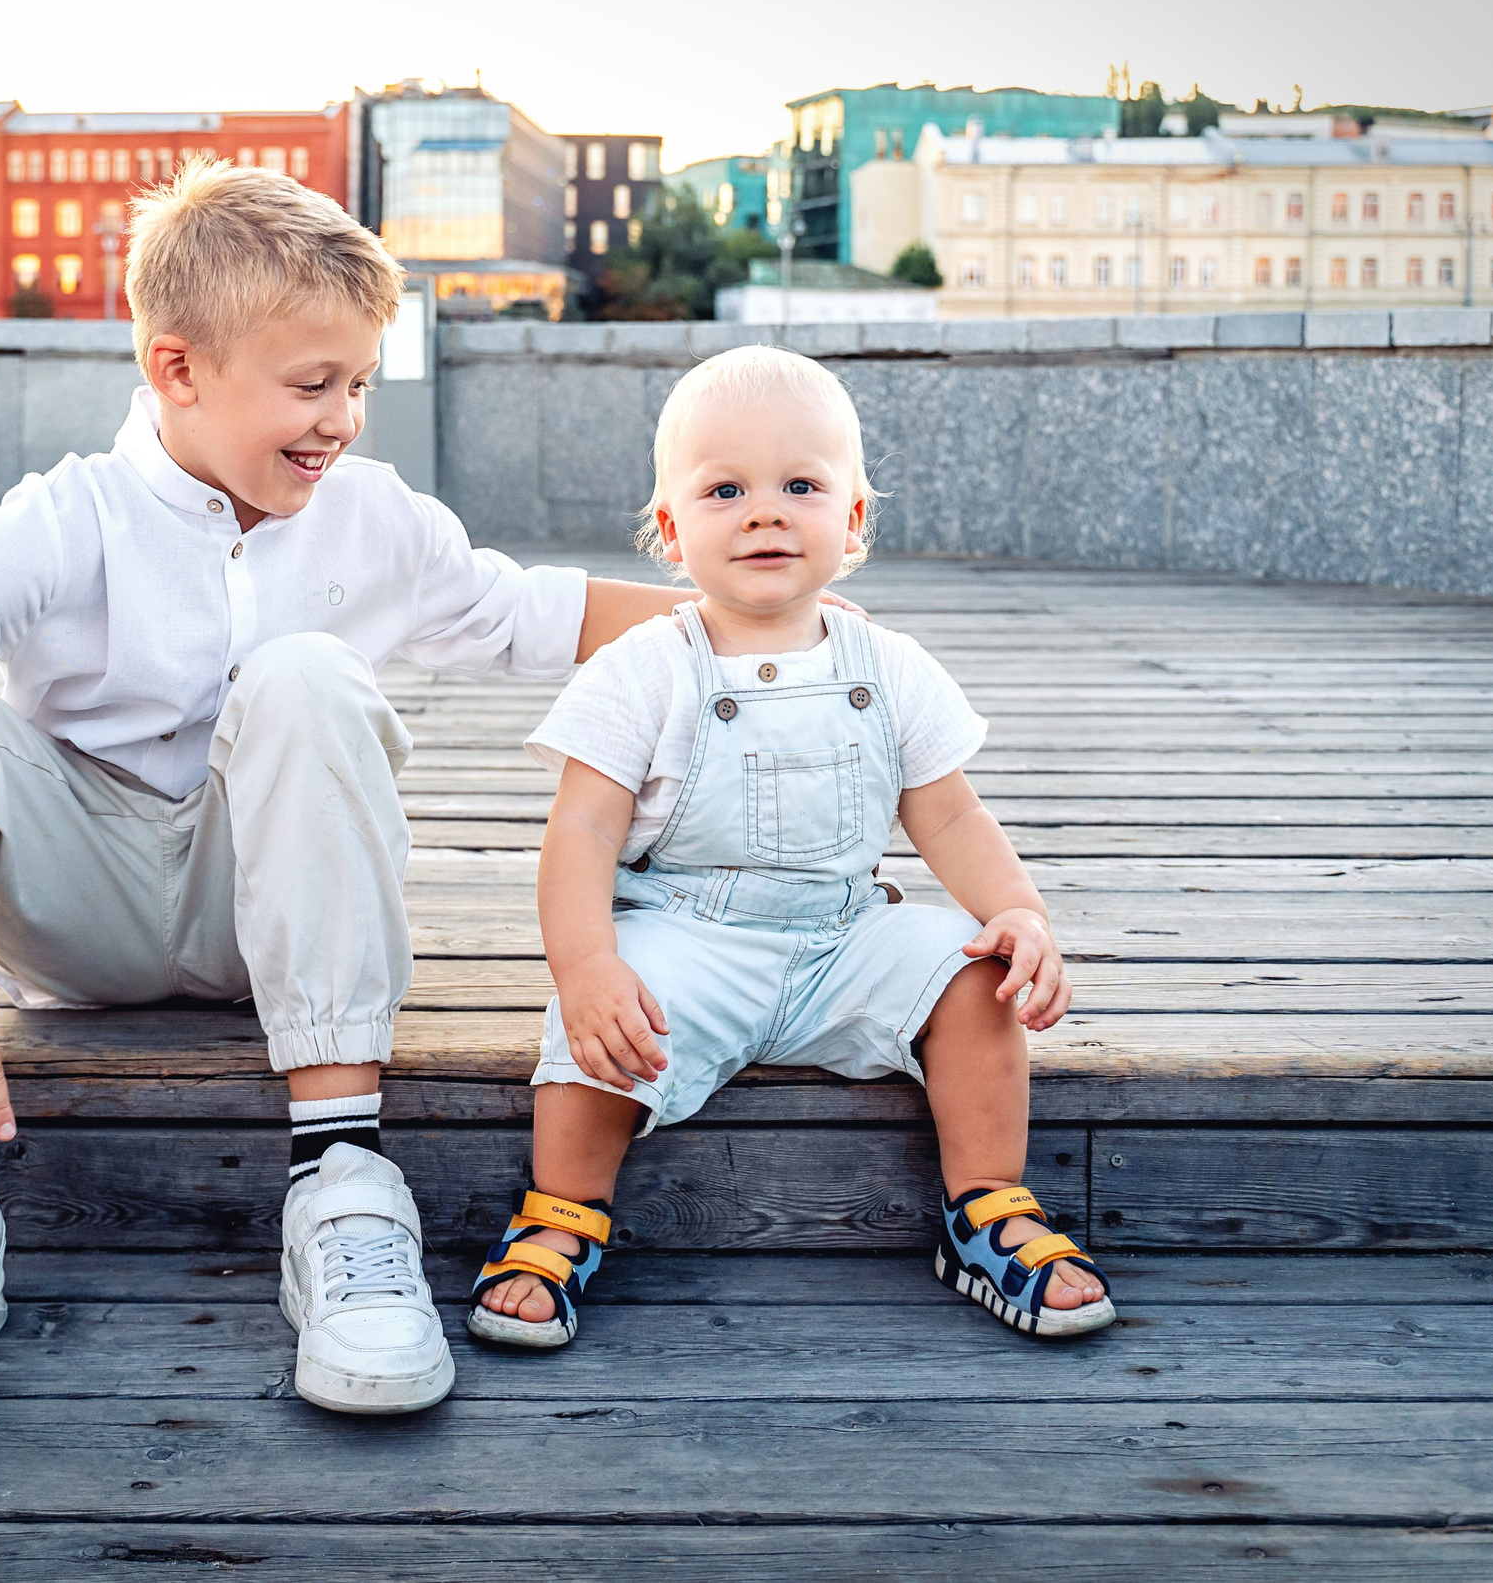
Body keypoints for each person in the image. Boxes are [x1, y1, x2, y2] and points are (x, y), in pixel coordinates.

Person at [0, 159, 718, 1458]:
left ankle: (343, 1176)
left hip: (273, 920)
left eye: (360, 382)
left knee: (304, 671)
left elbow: (538, 612)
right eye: (313, 385)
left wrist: (752, 620)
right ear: (177, 367)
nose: (344, 419)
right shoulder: (66, 518)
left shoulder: (369, 516)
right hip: (81, 917)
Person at [467, 346, 1114, 1352]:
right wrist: (587, 964)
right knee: (600, 1023)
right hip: (687, 933)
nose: (764, 512)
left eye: (799, 486)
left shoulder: (886, 665)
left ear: (851, 521)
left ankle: (986, 1207)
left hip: (843, 936)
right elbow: (583, 828)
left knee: (970, 976)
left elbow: (946, 815)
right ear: (672, 531)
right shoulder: (642, 669)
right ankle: (562, 1213)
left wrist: (1018, 914)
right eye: (725, 489)